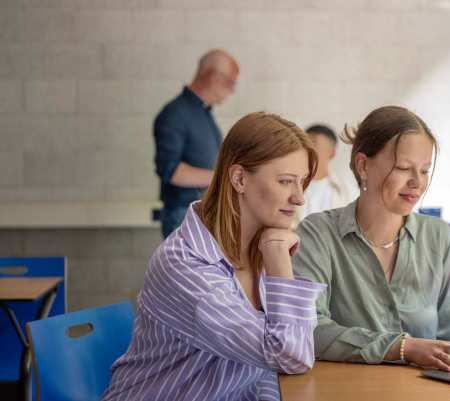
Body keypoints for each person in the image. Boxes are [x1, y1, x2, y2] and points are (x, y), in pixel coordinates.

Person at [103, 112, 326, 401]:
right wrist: (279, 261)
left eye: (302, 182)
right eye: (285, 182)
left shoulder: (262, 245)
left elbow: (264, 373)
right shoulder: (185, 265)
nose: (299, 198)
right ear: (239, 179)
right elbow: (290, 355)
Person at [293, 106, 450, 374]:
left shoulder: (439, 237)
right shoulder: (317, 233)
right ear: (363, 165)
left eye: (425, 170)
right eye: (403, 168)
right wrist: (403, 347)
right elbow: (310, 330)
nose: (417, 182)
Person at [154, 49, 240, 238]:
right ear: (214, 76)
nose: (232, 91)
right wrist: (222, 178)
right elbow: (170, 170)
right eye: (231, 83)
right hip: (183, 216)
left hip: (202, 214)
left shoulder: (204, 114)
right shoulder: (175, 114)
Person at [298, 124, 352, 219]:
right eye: (304, 144)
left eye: (314, 143)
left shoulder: (347, 192)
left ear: (332, 153)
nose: (307, 149)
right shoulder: (289, 186)